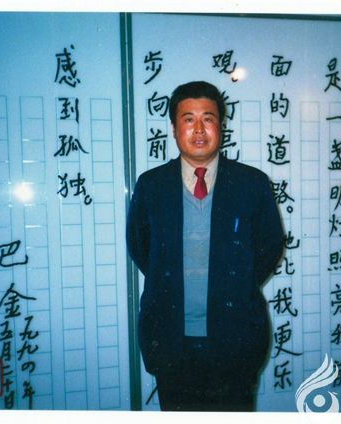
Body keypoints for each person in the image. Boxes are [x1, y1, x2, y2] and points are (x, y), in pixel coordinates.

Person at [126, 81, 285, 411]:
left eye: (208, 118)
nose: (199, 129)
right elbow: (140, 248)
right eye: (188, 119)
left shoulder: (251, 183)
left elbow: (269, 248)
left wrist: (233, 285)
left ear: (221, 126)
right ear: (174, 129)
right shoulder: (152, 185)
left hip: (235, 341)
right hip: (171, 342)